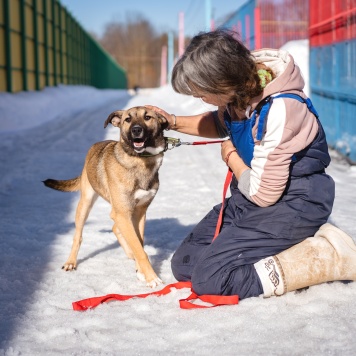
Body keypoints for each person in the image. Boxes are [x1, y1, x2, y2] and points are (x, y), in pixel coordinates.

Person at [147, 29, 356, 300]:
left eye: (202, 92)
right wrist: (172, 121)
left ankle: (324, 255)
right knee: (186, 264)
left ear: (221, 81)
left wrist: (232, 158)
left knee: (210, 280)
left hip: (294, 203)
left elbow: (264, 193)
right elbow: (220, 122)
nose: (200, 98)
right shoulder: (240, 92)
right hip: (249, 201)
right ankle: (268, 248)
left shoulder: (281, 108)